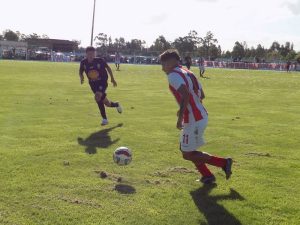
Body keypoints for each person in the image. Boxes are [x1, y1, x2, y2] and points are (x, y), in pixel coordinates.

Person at [159, 49, 232, 185]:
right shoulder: (189, 72)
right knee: (187, 149)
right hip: (200, 115)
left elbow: (185, 95)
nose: (162, 68)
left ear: (170, 62)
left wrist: (180, 116)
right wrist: (189, 107)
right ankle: (207, 175)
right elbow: (201, 95)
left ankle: (223, 163)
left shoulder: (173, 75)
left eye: (163, 64)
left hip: (193, 119)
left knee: (187, 153)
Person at [79, 46, 122, 126]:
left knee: (97, 97)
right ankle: (116, 104)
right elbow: (80, 71)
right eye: (89, 54)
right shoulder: (83, 62)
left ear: (95, 54)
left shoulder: (100, 60)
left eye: (92, 54)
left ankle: (104, 119)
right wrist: (81, 77)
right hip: (93, 84)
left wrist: (112, 79)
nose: (91, 55)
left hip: (102, 82)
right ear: (86, 54)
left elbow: (108, 68)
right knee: (107, 103)